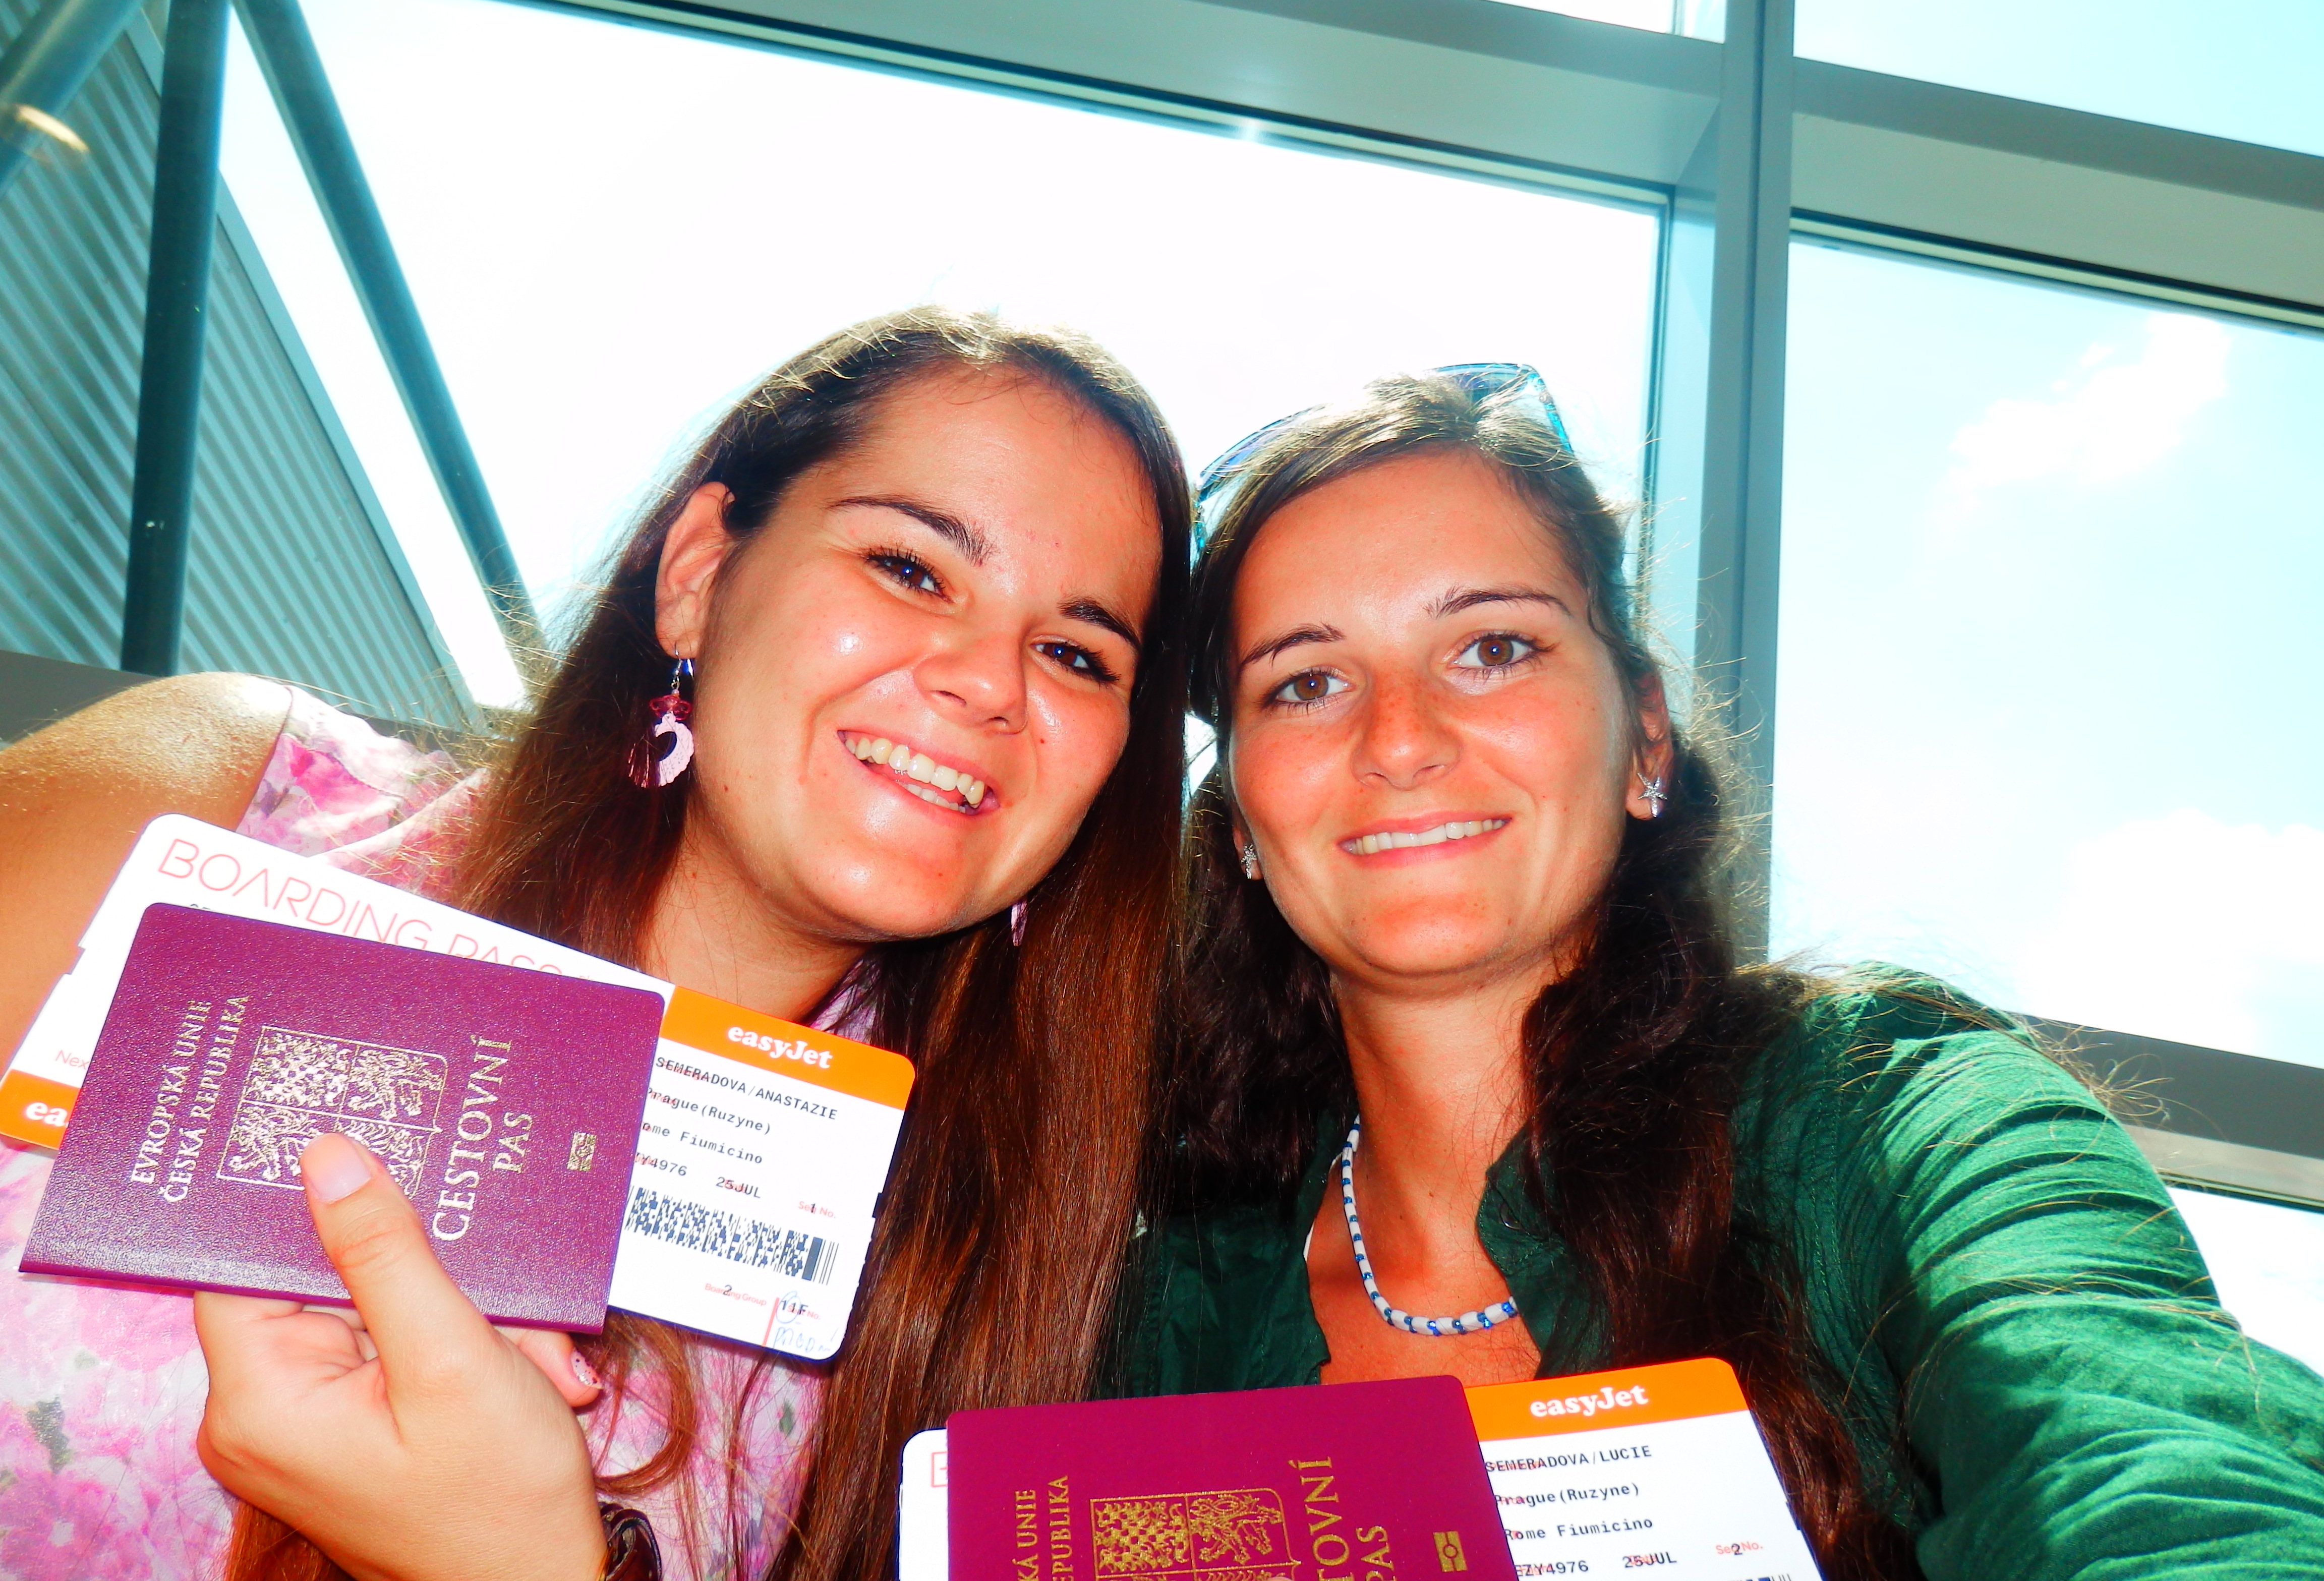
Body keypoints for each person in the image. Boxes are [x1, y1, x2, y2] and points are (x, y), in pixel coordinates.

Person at [0, 307, 1192, 1581]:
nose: (993, 683)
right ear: (699, 576)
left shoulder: (949, 1283)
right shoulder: (232, 795)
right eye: (910, 567)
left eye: (1076, 653)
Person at [1117, 367, 2324, 1579]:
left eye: (1492, 648)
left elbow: (2152, 1466)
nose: (1399, 740)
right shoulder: (1155, 1296)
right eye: (1306, 682)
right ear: (1241, 823)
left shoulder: (1884, 1120)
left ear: (1645, 736)